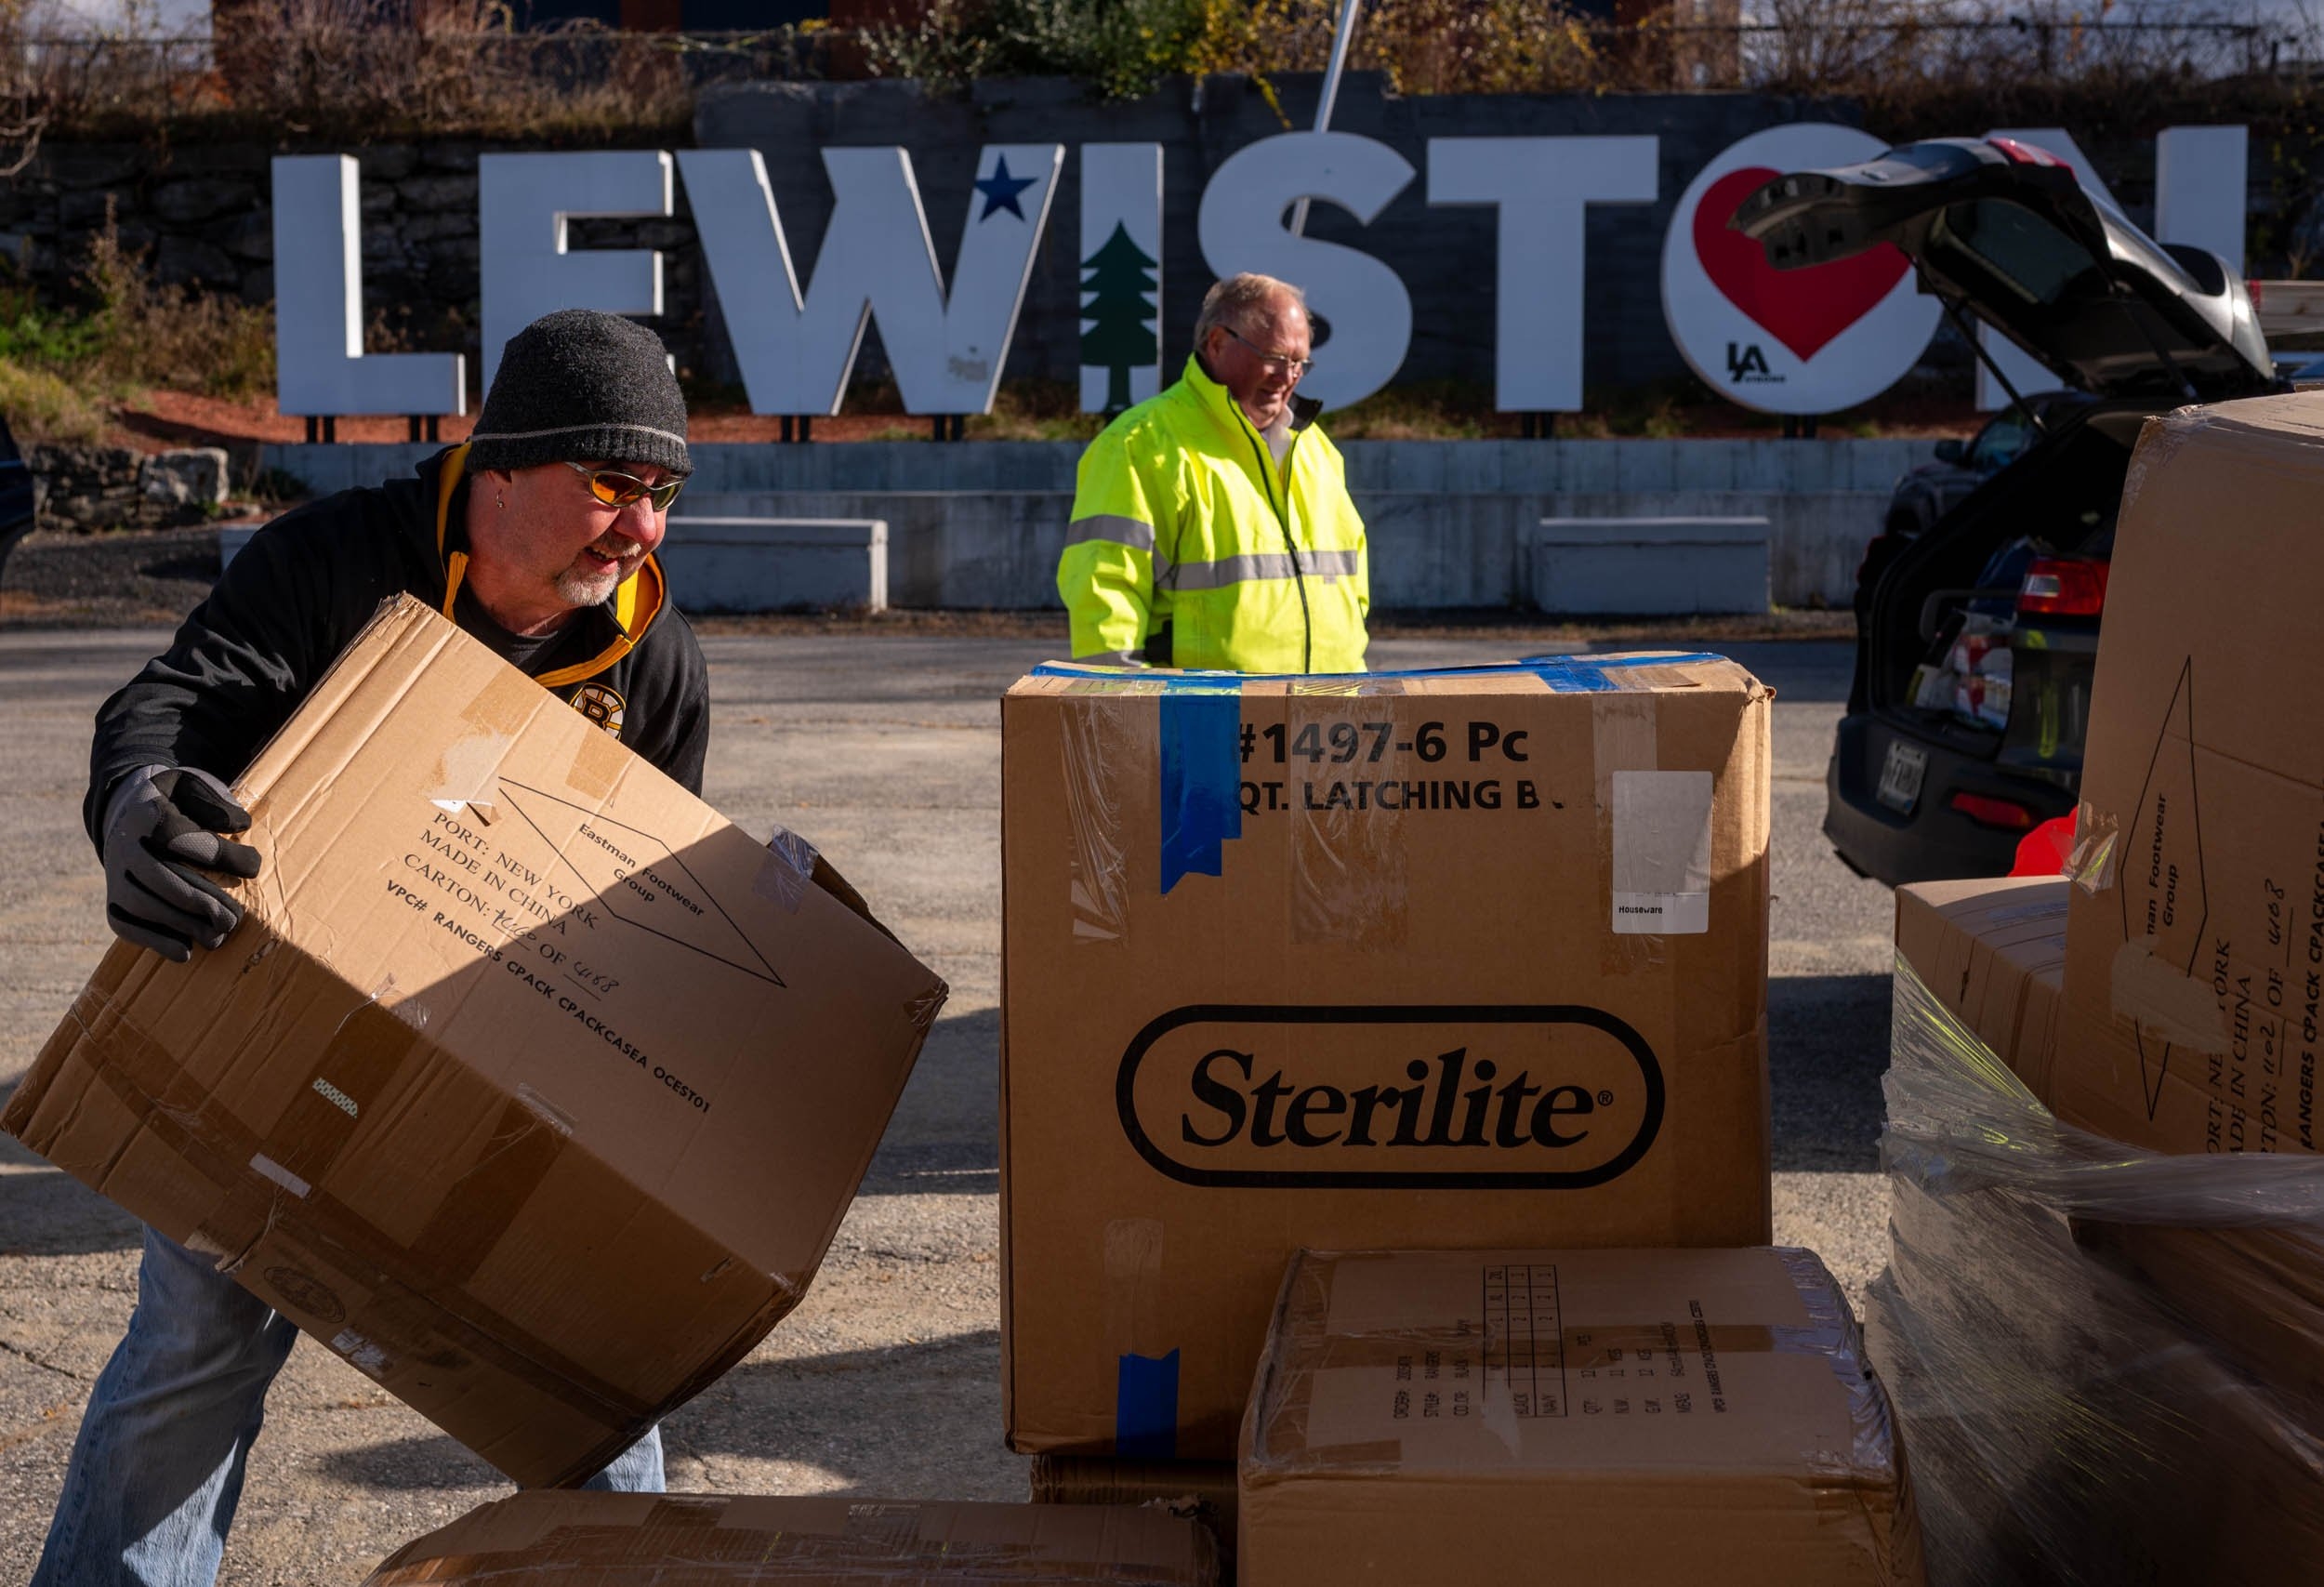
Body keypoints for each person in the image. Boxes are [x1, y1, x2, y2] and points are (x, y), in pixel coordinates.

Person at [40, 308, 706, 1587]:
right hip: (270, 1039)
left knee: (597, 1380)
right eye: (612, 483)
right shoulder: (335, 561)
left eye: (664, 494)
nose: (643, 528)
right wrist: (138, 803)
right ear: (500, 466)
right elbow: (173, 706)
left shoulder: (656, 661)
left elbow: (649, 907)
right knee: (197, 1346)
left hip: (507, 1076)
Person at [1057, 271, 1369, 673]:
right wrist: (1125, 704)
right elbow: (1105, 597)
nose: (1289, 376)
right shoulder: (1138, 446)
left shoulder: (1317, 450)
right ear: (1218, 343)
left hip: (1328, 705)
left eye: (1299, 363)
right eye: (1275, 358)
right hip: (1203, 708)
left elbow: (1352, 590)